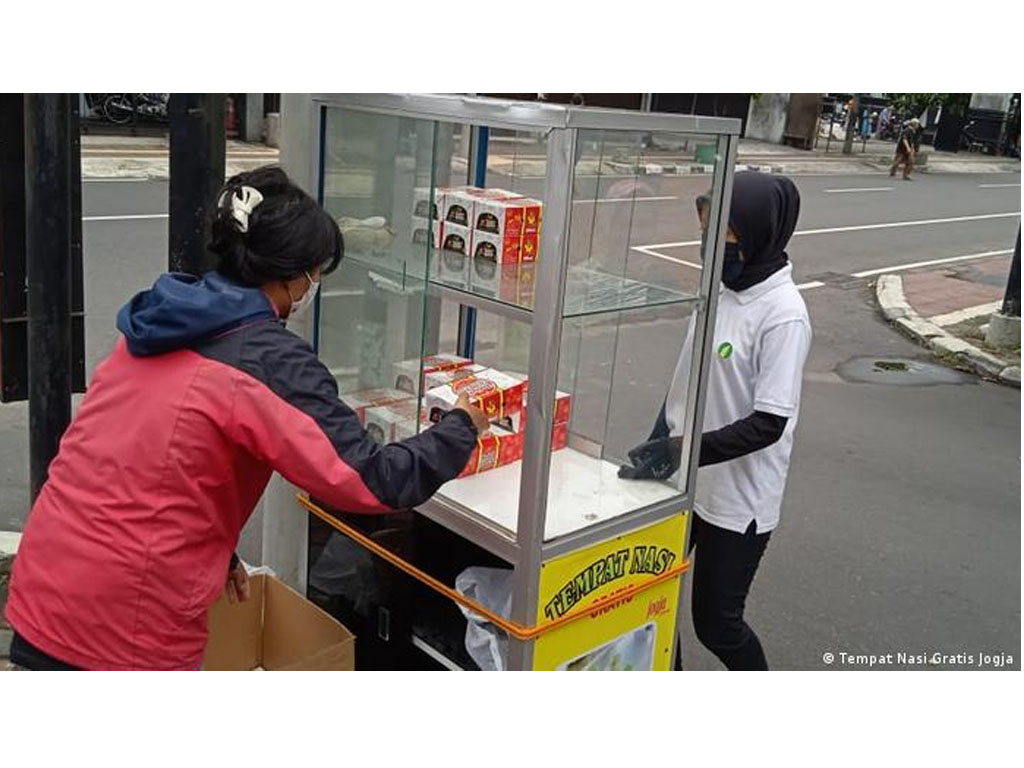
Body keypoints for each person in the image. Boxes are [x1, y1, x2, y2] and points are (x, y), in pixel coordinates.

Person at [4, 166, 489, 671]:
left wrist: (218, 555)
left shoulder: (163, 321)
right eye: (317, 270)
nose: (315, 284)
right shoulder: (266, 360)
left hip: (48, 585)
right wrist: (462, 425)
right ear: (294, 273)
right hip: (122, 625)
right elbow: (374, 480)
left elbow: (146, 469)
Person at [619, 172, 812, 671]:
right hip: (684, 480)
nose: (709, 246)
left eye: (721, 235)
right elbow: (686, 378)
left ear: (754, 232)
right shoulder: (720, 289)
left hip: (737, 498)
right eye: (704, 232)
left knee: (716, 623)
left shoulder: (783, 315)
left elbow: (769, 423)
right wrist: (659, 439)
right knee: (647, 600)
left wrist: (682, 449)